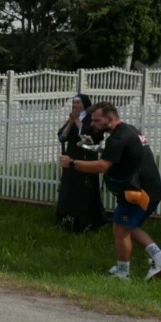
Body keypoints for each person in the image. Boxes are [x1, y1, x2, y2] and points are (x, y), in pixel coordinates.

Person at [59, 102, 161, 281]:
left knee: (120, 228)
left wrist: (72, 163)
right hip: (148, 190)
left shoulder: (119, 138)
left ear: (110, 118)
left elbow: (102, 166)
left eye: (97, 121)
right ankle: (159, 258)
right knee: (128, 226)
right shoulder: (129, 131)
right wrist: (93, 147)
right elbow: (118, 153)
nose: (93, 125)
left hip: (137, 192)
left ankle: (123, 273)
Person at [56, 94, 106, 232]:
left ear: (85, 104)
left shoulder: (91, 119)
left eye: (78, 102)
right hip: (71, 157)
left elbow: (93, 136)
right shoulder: (72, 119)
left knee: (85, 188)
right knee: (69, 188)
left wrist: (77, 121)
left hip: (86, 158)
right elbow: (62, 137)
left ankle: (86, 221)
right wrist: (70, 122)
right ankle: (67, 218)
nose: (75, 105)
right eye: (74, 102)